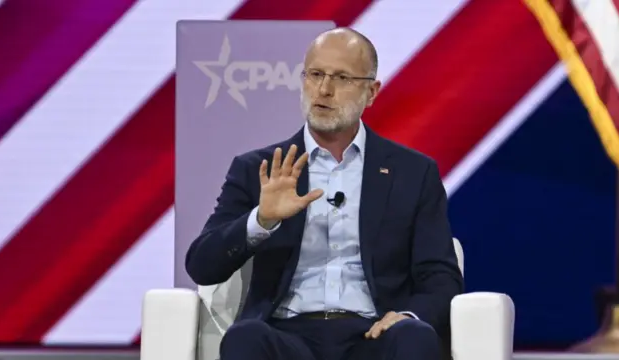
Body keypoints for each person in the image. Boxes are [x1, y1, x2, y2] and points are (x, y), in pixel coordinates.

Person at [185, 27, 464, 360]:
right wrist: (261, 220)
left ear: (372, 92)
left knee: (414, 338)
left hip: (375, 333)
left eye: (343, 78)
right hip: (285, 334)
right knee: (245, 338)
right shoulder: (259, 168)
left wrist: (408, 316)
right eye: (315, 74)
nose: (324, 90)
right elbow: (201, 266)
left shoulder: (413, 173)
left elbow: (441, 275)